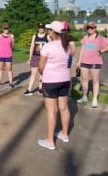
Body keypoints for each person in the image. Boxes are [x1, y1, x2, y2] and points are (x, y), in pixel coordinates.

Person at [37, 21, 73, 150]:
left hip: (51, 81)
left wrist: (43, 73)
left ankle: (50, 141)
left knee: (51, 110)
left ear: (53, 32)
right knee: (64, 108)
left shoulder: (48, 46)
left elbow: (41, 66)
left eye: (49, 30)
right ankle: (64, 134)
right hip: (65, 80)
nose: (48, 31)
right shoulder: (67, 46)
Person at [76, 21, 108, 108]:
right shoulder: (85, 38)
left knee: (95, 80)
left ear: (95, 29)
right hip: (84, 62)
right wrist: (79, 61)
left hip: (95, 62)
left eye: (91, 28)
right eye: (88, 28)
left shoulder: (100, 38)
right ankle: (84, 96)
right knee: (84, 79)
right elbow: (82, 49)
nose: (89, 29)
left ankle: (95, 99)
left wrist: (101, 51)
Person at [23, 23, 50, 96]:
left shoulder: (47, 36)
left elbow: (51, 46)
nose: (41, 29)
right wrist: (30, 57)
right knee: (33, 73)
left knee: (42, 74)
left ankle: (40, 89)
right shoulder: (34, 36)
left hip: (43, 57)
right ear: (38, 28)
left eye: (42, 28)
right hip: (35, 56)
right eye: (39, 28)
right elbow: (32, 47)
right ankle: (29, 89)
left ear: (44, 28)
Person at [0, 22, 15, 88]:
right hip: (0, 55)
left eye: (7, 28)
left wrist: (8, 50)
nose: (6, 30)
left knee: (9, 69)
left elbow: (12, 45)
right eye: (5, 29)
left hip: (8, 55)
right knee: (0, 69)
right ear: (2, 29)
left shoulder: (11, 36)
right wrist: (1, 50)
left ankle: (11, 82)